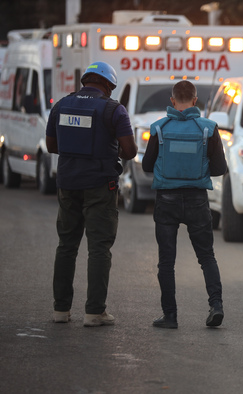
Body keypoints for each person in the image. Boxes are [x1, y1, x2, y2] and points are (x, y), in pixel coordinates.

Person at [46, 61, 138, 327]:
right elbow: (130, 151)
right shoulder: (113, 109)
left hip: (68, 184)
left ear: (85, 80)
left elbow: (53, 146)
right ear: (108, 85)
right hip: (100, 185)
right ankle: (94, 312)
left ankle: (60, 310)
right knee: (99, 248)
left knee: (66, 245)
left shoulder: (61, 105)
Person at [142, 80, 227, 329]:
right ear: (194, 100)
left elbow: (147, 166)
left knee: (166, 262)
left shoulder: (159, 128)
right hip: (197, 200)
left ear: (172, 101)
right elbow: (220, 168)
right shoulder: (208, 129)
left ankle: (170, 316)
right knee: (206, 256)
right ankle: (216, 306)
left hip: (166, 201)